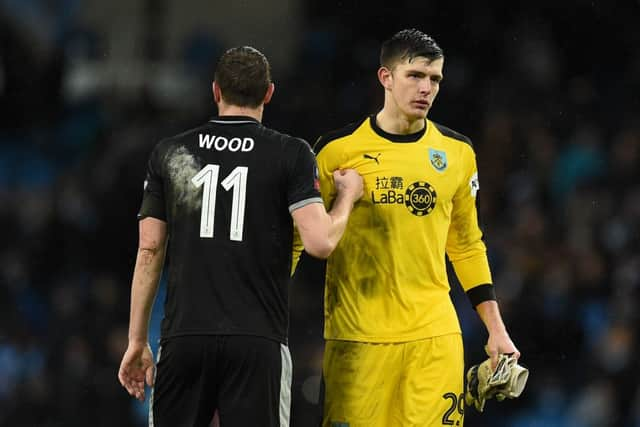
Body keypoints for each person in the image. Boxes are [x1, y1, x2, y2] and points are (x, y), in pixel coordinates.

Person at [117, 46, 363, 427]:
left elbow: (149, 249)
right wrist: (346, 197)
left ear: (215, 91)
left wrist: (137, 341)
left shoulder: (171, 152)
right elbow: (320, 242)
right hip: (257, 340)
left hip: (185, 337)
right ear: (269, 93)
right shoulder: (290, 154)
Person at [308, 29, 521, 426]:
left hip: (434, 337)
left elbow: (467, 244)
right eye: (415, 76)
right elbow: (300, 241)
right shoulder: (335, 151)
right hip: (358, 338)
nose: (426, 88)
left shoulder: (457, 153)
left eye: (435, 79)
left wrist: (496, 329)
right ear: (385, 77)